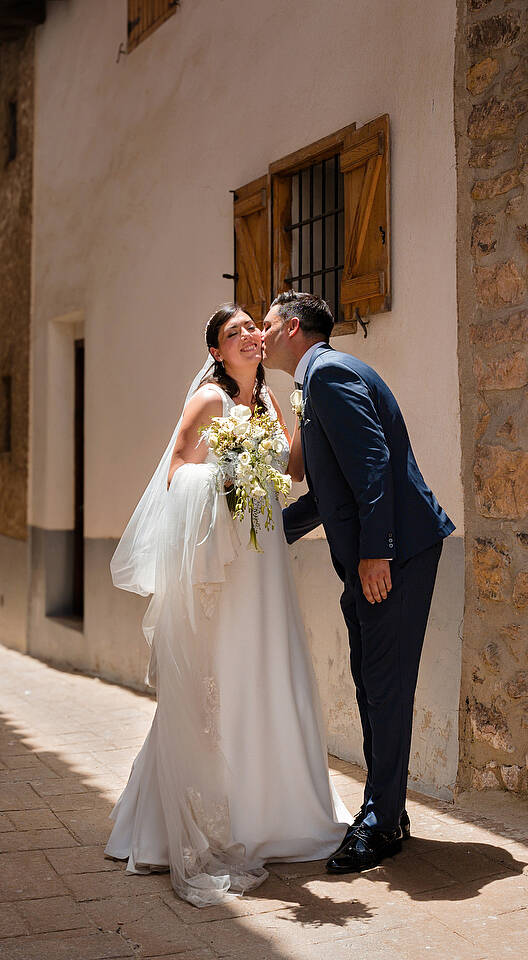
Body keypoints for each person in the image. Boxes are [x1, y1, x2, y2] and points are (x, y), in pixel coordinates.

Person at [105, 303, 350, 906]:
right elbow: (175, 474)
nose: (248, 336)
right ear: (216, 352)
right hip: (225, 562)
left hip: (265, 558)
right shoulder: (209, 401)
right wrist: (225, 479)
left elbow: (292, 470)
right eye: (234, 332)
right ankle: (195, 821)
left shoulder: (266, 401)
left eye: (251, 328)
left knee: (268, 666)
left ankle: (279, 814)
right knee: (223, 676)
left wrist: (304, 418)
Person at [261, 291, 456, 874]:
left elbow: (373, 465)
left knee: (385, 686)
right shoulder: (318, 378)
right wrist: (263, 534)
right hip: (377, 557)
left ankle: (381, 822)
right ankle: (386, 809)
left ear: (292, 328)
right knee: (373, 683)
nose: (260, 335)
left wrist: (377, 553)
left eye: (266, 324)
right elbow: (332, 491)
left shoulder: (328, 375)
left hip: (394, 556)